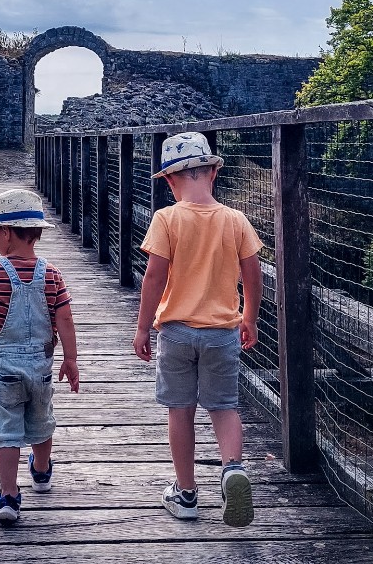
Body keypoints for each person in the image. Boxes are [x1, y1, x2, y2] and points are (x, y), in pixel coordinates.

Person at [132, 132, 263, 528]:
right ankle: (233, 469)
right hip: (223, 331)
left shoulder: (167, 218)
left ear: (170, 181)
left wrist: (142, 328)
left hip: (175, 331)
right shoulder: (235, 220)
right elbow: (253, 274)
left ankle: (186, 494)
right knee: (223, 406)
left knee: (180, 410)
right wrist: (250, 317)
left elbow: (154, 277)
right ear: (213, 173)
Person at [0, 188, 80, 524]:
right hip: (41, 365)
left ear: (5, 234)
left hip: (4, 363)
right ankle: (42, 469)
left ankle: (8, 495)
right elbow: (64, 318)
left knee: (6, 427)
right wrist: (71, 359)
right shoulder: (51, 274)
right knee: (41, 419)